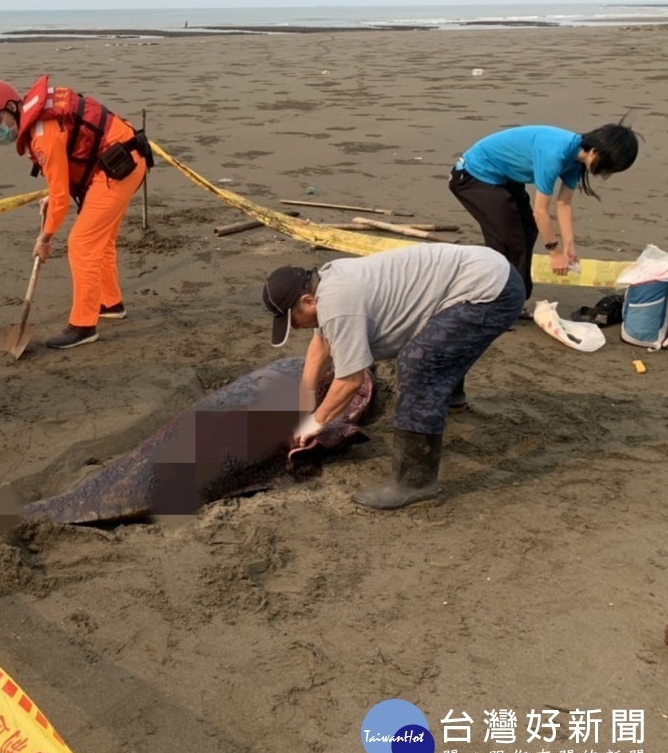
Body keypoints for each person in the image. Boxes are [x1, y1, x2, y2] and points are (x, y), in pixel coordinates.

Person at [263, 243, 524, 510]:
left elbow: (350, 380)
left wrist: (316, 422)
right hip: (482, 273)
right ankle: (451, 399)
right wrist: (304, 397)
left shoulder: (338, 304)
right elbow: (322, 343)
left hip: (490, 292)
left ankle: (415, 482)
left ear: (309, 301)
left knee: (417, 364)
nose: (294, 327)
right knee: (437, 344)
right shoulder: (327, 284)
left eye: (292, 319)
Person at [0, 75, 152, 349]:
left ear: (11, 108)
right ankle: (110, 303)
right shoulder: (40, 121)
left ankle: (83, 325)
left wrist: (44, 239)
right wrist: (53, 194)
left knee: (82, 244)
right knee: (99, 241)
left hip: (119, 169)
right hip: (123, 161)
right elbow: (61, 179)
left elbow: (61, 199)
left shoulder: (43, 132)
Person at [448, 121, 639, 307]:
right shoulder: (554, 154)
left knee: (527, 231)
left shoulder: (576, 159)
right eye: (607, 166)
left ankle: (514, 300)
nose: (605, 172)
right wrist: (554, 252)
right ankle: (497, 302)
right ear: (595, 150)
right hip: (472, 176)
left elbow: (563, 203)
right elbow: (540, 211)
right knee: (510, 240)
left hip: (503, 177)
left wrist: (569, 245)